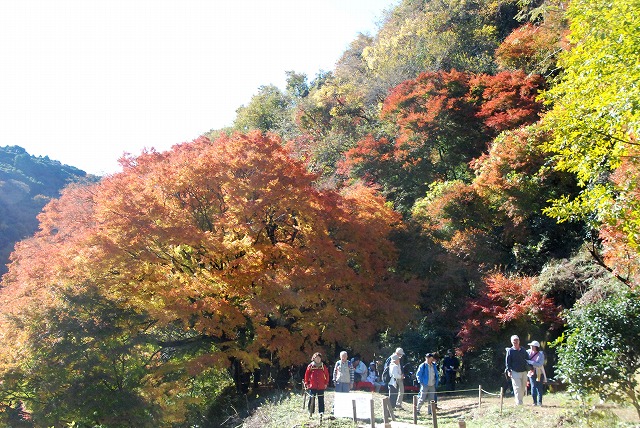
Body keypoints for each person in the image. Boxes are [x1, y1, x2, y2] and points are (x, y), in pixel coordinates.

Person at [505, 335, 529, 405]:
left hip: (524, 371)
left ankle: (520, 400)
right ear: (511, 342)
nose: (515, 342)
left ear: (519, 341)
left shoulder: (523, 350)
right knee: (517, 387)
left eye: (516, 340)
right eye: (513, 341)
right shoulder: (510, 351)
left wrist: (530, 368)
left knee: (523, 387)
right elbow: (507, 362)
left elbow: (527, 359)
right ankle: (519, 402)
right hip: (515, 371)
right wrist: (508, 371)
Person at [526, 340, 547, 406]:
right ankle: (534, 402)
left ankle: (540, 402)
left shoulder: (541, 354)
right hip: (531, 372)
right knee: (533, 386)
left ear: (536, 347)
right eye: (531, 346)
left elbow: (540, 364)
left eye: (533, 346)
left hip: (539, 372)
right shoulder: (528, 352)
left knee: (539, 387)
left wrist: (532, 362)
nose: (531, 347)